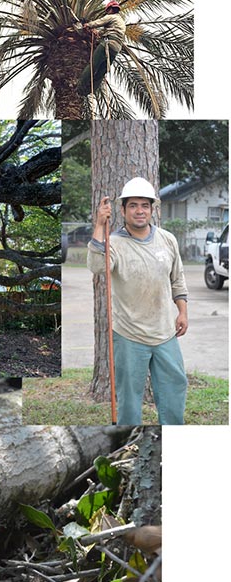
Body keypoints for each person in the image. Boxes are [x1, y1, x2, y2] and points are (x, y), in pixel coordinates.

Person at [87, 177, 189, 424]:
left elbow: (178, 278)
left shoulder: (167, 239)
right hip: (129, 334)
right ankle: (128, 441)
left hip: (165, 332)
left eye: (145, 205)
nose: (139, 210)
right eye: (133, 205)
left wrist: (182, 312)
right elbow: (97, 266)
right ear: (123, 210)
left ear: (152, 209)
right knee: (130, 400)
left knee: (174, 390)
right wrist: (100, 224)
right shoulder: (115, 243)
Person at [76, 0, 126, 96]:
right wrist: (97, 33)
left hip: (107, 43)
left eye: (107, 10)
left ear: (111, 9)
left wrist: (87, 25)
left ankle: (79, 87)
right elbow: (109, 31)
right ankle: (90, 91)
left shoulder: (111, 17)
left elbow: (99, 22)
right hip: (116, 49)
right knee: (102, 71)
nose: (107, 12)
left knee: (93, 65)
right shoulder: (121, 22)